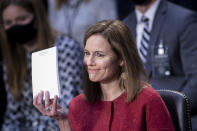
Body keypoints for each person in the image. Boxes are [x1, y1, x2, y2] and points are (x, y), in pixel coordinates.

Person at [33, 20, 175, 131]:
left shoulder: (148, 100)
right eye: (87, 53)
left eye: (99, 55)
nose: (89, 62)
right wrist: (63, 120)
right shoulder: (77, 105)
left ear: (121, 59)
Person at [0, 0, 83, 130]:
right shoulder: (12, 59)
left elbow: (71, 107)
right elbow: (13, 115)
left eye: (22, 19)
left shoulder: (64, 48)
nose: (15, 26)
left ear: (37, 17)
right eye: (8, 23)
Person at [124, 0, 197, 129]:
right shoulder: (124, 27)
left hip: (176, 122)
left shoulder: (182, 19)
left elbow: (195, 80)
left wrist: (167, 112)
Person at [47, 0, 117, 47]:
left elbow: (110, 33)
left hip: (92, 60)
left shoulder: (101, 2)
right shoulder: (53, 3)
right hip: (63, 60)